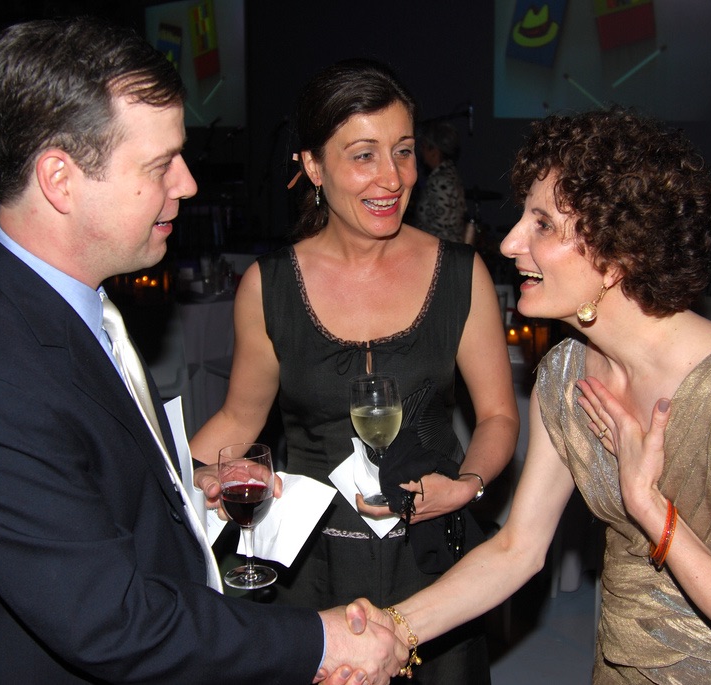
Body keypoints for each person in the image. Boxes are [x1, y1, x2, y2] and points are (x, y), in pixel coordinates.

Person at [0, 18, 404, 684]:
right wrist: (321, 641)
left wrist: (181, 491)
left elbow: (83, 463)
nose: (186, 183)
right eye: (161, 164)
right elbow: (116, 623)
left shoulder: (68, 301)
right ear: (60, 180)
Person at [351, 107, 711, 683]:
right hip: (625, 661)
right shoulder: (564, 376)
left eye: (542, 224)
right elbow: (518, 547)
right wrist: (393, 630)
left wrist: (648, 507)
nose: (511, 241)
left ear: (616, 253)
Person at [188, 59, 518, 684]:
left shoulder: (459, 273)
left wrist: (469, 483)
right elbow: (238, 416)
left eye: (403, 151)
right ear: (313, 166)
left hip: (429, 562)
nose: (392, 178)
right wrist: (177, 479)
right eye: (364, 155)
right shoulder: (269, 287)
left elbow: (499, 415)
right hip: (315, 571)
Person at [413, 120, 469, 244]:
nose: (421, 152)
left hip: (441, 251)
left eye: (424, 147)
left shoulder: (440, 181)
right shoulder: (448, 174)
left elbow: (441, 226)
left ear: (434, 151)